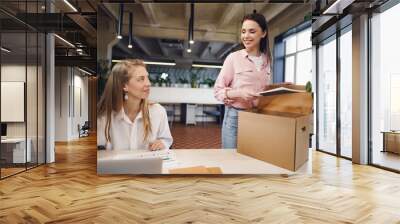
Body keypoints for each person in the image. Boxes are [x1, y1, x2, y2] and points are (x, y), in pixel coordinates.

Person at [214, 12, 288, 149]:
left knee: (252, 160)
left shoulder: (267, 59)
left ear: (263, 33)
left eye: (252, 31)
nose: (246, 36)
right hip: (235, 117)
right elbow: (217, 91)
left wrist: (279, 87)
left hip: (258, 116)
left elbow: (262, 90)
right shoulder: (233, 58)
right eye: (243, 31)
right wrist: (239, 93)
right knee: (232, 161)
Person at [97, 59, 173, 151]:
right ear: (124, 86)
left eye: (147, 78)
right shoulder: (104, 116)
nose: (148, 83)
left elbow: (167, 140)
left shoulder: (158, 111)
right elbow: (99, 151)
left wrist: (162, 143)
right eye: (140, 79)